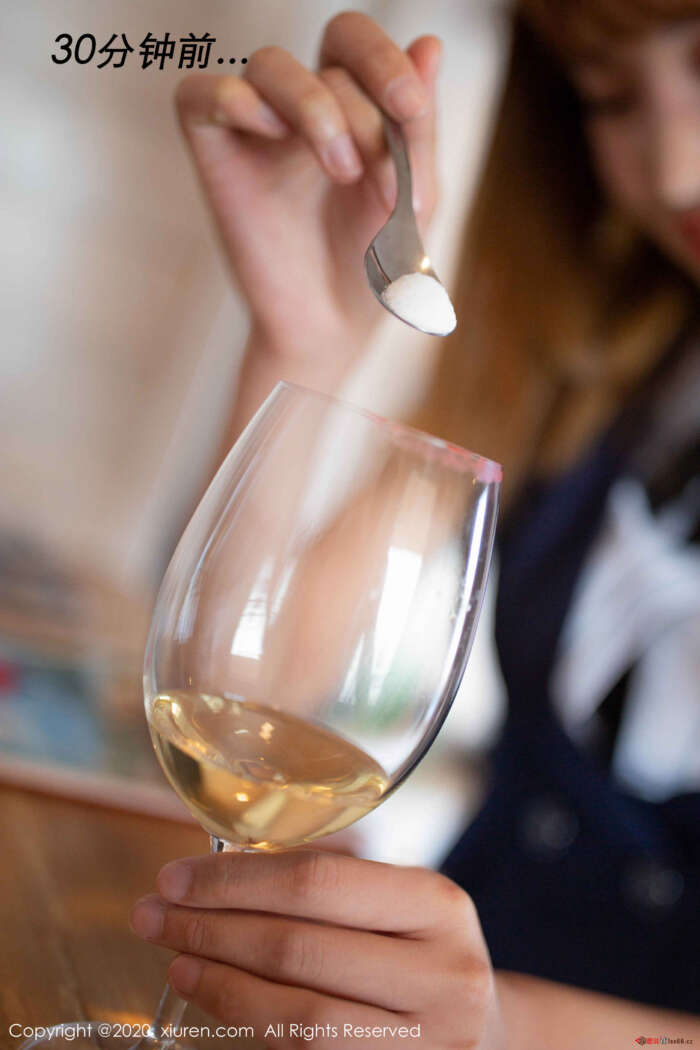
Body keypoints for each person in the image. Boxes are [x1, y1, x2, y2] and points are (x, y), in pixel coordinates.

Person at [129, 4, 700, 1044]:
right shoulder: (605, 347)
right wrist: (302, 341)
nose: (671, 168)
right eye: (610, 98)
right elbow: (254, 698)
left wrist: (505, 1025)